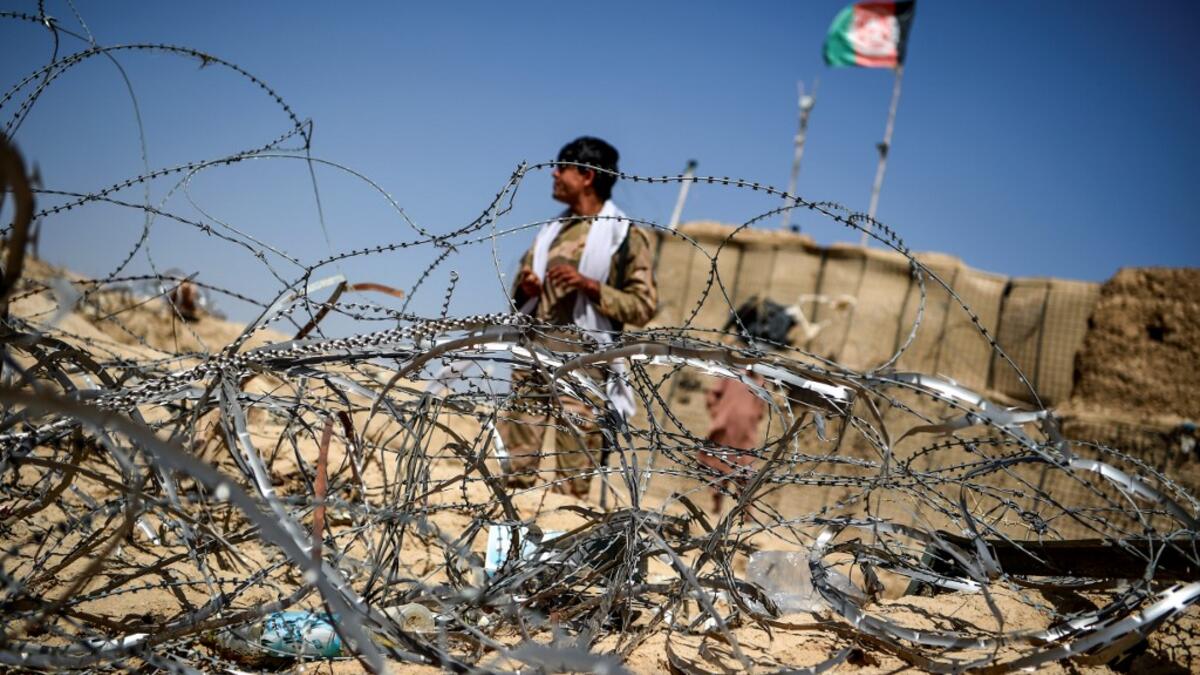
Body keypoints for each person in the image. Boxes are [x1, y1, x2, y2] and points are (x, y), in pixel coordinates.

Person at [498, 136, 657, 499]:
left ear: (586, 175)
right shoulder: (550, 232)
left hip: (584, 362)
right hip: (534, 354)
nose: (553, 174)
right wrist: (527, 287)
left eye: (562, 167)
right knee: (517, 467)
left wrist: (589, 285)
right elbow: (519, 299)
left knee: (571, 477)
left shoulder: (623, 237)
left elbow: (643, 305)